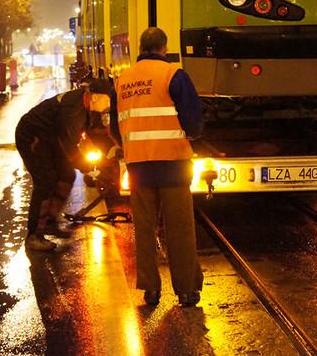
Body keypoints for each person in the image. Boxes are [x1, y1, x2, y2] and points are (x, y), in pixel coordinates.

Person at [110, 27, 204, 306]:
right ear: (164, 48)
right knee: (180, 229)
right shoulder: (174, 75)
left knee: (144, 228)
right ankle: (186, 290)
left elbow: (116, 127)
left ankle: (150, 289)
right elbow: (193, 120)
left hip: (138, 165)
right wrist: (193, 136)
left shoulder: (122, 80)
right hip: (173, 163)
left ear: (140, 48)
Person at [15, 78, 113, 251]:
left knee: (67, 176)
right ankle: (33, 235)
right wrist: (94, 172)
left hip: (50, 137)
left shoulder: (85, 104)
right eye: (106, 100)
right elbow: (71, 152)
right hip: (32, 136)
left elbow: (86, 133)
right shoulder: (73, 111)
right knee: (46, 181)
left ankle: (49, 223)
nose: (108, 104)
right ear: (95, 97)